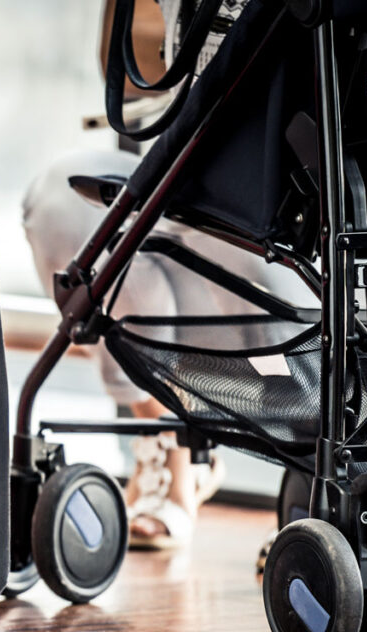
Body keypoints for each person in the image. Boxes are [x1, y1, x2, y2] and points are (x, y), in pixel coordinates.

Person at [22, 0, 309, 549]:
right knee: (63, 202)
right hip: (192, 167)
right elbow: (140, 73)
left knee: (232, 238)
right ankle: (166, 447)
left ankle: (303, 457)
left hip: (292, 207)